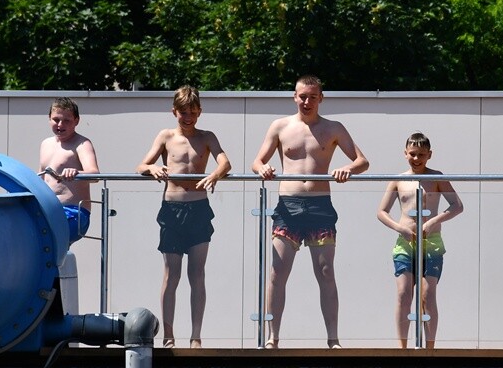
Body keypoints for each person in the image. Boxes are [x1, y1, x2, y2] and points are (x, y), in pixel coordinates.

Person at [251, 75, 369, 348]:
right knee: (278, 272)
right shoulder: (280, 126)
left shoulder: (333, 127)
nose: (306, 101)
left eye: (312, 97)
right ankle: (272, 337)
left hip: (320, 205)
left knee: (326, 271)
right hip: (288, 207)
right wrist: (263, 169)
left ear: (321, 98)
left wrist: (346, 169)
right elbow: (258, 160)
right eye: (302, 96)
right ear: (295, 96)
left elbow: (362, 161)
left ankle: (333, 339)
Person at [136, 86, 232, 348]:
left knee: (197, 274)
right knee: (171, 274)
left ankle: (195, 337)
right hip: (172, 210)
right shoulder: (166, 136)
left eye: (192, 112)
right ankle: (168, 335)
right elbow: (141, 165)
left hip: (199, 209)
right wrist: (153, 168)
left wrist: (214, 174)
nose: (188, 118)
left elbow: (225, 162)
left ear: (199, 111)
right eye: (183, 113)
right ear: (174, 112)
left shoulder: (207, 136)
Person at [376, 133, 464, 348]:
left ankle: (430, 348)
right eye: (413, 154)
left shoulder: (437, 177)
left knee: (427, 293)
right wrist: (400, 228)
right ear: (405, 153)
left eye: (421, 155)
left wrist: (432, 222)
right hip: (405, 243)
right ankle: (402, 347)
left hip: (431, 242)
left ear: (429, 155)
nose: (416, 159)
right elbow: (381, 211)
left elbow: (457, 206)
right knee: (404, 293)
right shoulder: (399, 179)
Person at [39, 97, 100, 244]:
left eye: (67, 120)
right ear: (49, 119)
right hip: (49, 211)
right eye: (56, 119)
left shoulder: (82, 144)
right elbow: (41, 178)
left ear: (76, 121)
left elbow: (95, 175)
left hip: (74, 213)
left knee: (47, 237)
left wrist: (77, 173)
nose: (60, 125)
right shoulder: (45, 144)